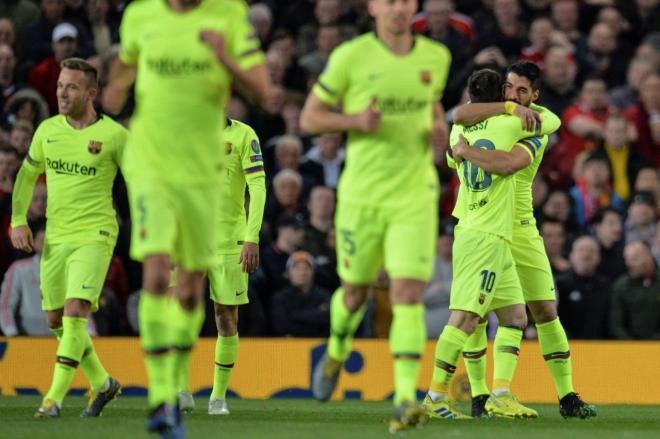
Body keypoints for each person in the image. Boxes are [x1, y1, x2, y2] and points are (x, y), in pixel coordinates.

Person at [102, 0, 270, 437]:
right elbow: (120, 74)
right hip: (155, 167)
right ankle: (166, 395)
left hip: (220, 220)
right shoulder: (140, 14)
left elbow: (265, 91)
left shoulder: (230, 15)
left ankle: (215, 396)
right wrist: (116, 88)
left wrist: (224, 56)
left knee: (210, 307)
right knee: (157, 276)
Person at [300, 0, 451, 432]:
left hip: (414, 196)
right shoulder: (351, 57)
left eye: (405, 1)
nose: (397, 8)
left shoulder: (435, 57)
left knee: (406, 294)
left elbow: (432, 107)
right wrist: (354, 120)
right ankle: (336, 349)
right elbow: (311, 116)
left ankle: (405, 399)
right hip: (362, 197)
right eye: (388, 1)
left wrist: (437, 129)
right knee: (355, 296)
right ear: (372, 7)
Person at [448, 60, 596, 418]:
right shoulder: (496, 117)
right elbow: (458, 118)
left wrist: (467, 148)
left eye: (522, 91)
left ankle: (567, 396)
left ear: (535, 95)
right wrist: (506, 109)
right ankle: (482, 395)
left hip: (522, 229)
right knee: (479, 313)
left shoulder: (535, 123)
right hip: (484, 224)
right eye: (509, 88)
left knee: (544, 310)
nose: (514, 95)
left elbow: (553, 122)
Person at [10, 58, 126, 418]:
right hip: (56, 235)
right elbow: (27, 177)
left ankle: (53, 399)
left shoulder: (115, 136)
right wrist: (17, 220)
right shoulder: (47, 131)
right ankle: (104, 384)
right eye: (61, 85)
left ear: (91, 93)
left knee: (76, 312)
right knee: (55, 320)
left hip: (96, 233)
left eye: (72, 86)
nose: (62, 92)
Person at [206, 119, 266, 416]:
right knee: (176, 310)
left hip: (229, 239)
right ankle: (177, 390)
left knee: (225, 316)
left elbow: (257, 186)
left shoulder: (244, 134)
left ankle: (218, 396)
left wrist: (251, 237)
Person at [556, 236, 609, 339]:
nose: (586, 255)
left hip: (600, 346)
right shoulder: (559, 284)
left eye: (591, 251)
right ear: (571, 256)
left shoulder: (605, 286)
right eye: (581, 250)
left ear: (599, 258)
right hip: (567, 346)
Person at [0, 225, 49, 336]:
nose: (47, 245)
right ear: (34, 243)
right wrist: (11, 333)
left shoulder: (67, 271)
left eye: (52, 241)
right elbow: (5, 306)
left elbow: (78, 307)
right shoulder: (19, 269)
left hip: (59, 341)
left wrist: (91, 336)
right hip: (26, 338)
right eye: (43, 241)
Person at [609, 240, 660, 340]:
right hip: (628, 349)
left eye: (634, 259)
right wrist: (633, 346)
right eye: (627, 259)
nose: (629, 264)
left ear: (649, 256)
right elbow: (616, 324)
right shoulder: (621, 286)